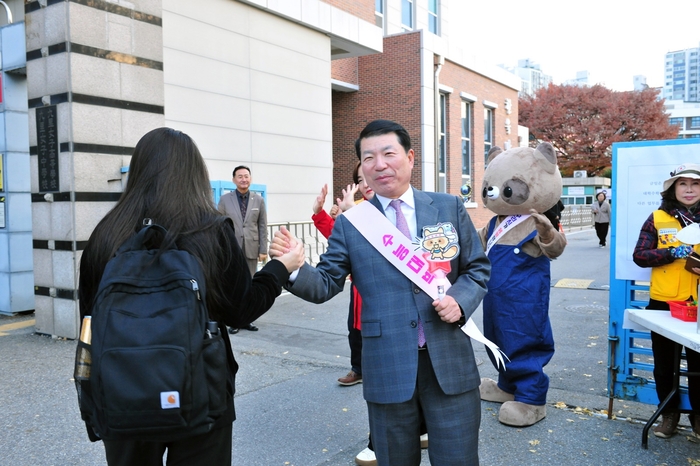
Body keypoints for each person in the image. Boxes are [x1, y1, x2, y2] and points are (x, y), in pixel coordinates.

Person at [78, 127, 304, 465]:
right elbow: (242, 309)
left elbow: (89, 319)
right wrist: (280, 268)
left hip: (122, 392)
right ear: (194, 173)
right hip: (202, 391)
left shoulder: (106, 234)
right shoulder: (210, 230)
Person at [271, 120, 489, 465]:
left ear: (410, 157)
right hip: (387, 364)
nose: (380, 164)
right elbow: (326, 283)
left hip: (449, 359)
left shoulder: (447, 207)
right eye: (368, 157)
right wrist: (291, 267)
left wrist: (460, 301)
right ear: (362, 167)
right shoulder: (352, 222)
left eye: (389, 153)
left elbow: (477, 268)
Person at [633, 163, 700, 439]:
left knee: (699, 365)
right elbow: (640, 255)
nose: (689, 189)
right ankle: (668, 415)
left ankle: (698, 418)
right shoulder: (657, 218)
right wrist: (672, 252)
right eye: (683, 184)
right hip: (664, 303)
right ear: (672, 188)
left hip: (698, 304)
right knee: (664, 365)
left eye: (695, 184)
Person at [218, 165, 268, 332]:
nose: (243, 179)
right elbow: (220, 225)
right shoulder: (225, 200)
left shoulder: (258, 200)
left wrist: (263, 249)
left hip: (252, 248)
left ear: (250, 178)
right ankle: (234, 320)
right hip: (232, 249)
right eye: (240, 176)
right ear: (234, 180)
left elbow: (262, 226)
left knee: (250, 283)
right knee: (233, 284)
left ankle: (248, 319)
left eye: (246, 176)